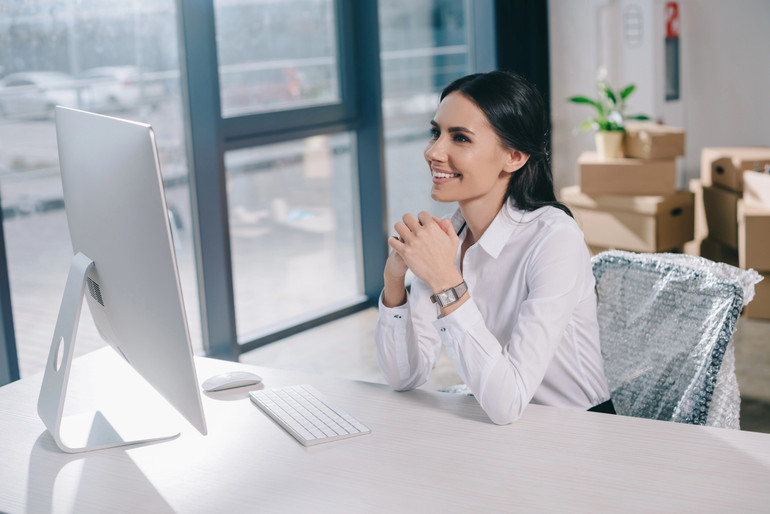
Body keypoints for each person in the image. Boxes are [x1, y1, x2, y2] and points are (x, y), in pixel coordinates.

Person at [374, 71, 612, 425]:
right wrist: (395, 279)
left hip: (579, 430)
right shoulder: (447, 236)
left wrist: (445, 281)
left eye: (460, 138)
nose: (434, 151)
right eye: (435, 133)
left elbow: (508, 402)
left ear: (514, 157)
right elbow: (404, 376)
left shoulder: (554, 238)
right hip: (493, 424)